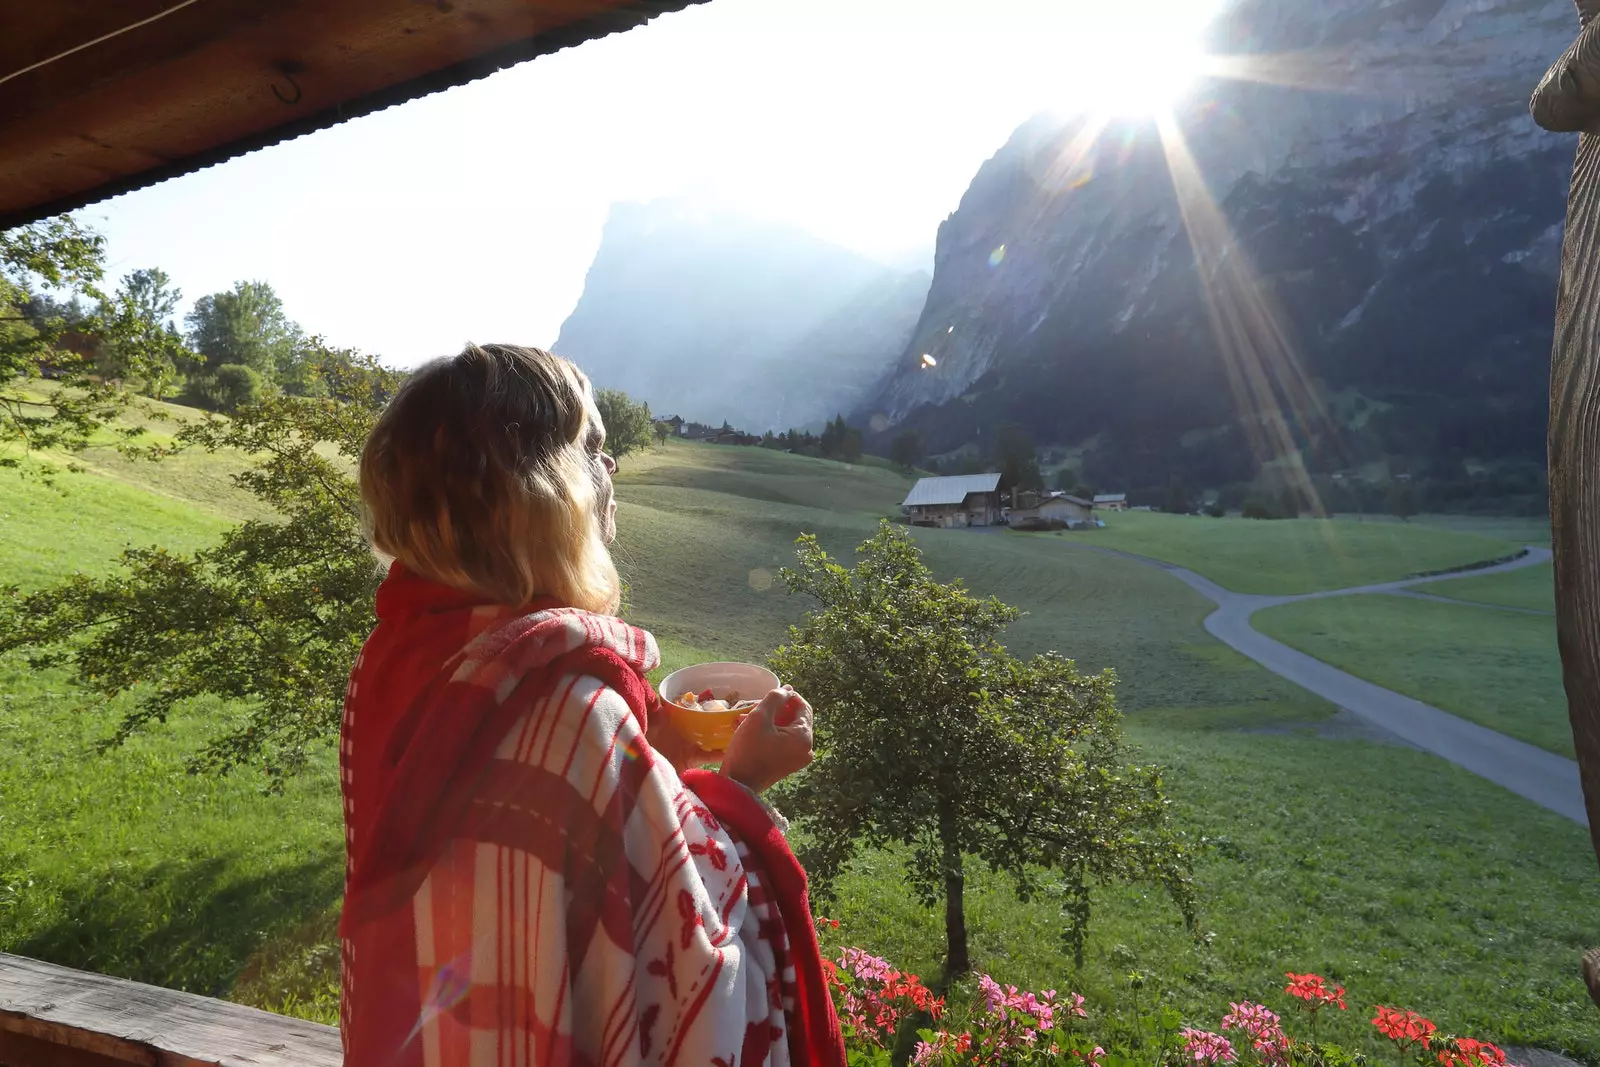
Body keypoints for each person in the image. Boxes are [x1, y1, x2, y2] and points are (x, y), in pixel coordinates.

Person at [338, 343, 843, 1067]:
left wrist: (649, 766)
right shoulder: (576, 711)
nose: (611, 471)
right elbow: (699, 978)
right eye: (592, 449)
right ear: (540, 493)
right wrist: (740, 787)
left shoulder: (389, 668)